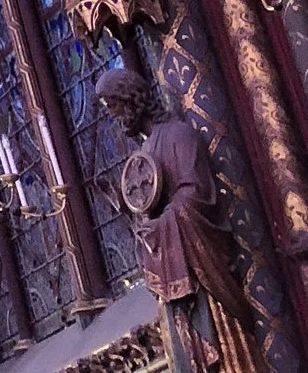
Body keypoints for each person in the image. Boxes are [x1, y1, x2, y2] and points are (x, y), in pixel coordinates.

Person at [93, 68, 262, 373]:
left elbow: (194, 195)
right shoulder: (145, 151)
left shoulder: (177, 135)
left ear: (130, 100)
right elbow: (151, 210)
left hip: (200, 275)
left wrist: (159, 227)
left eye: (113, 106)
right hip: (173, 278)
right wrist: (134, 216)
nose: (114, 116)